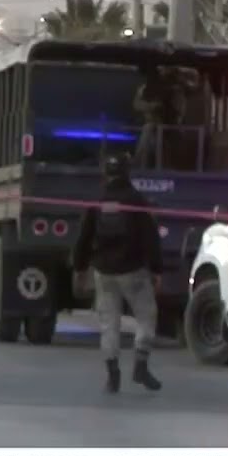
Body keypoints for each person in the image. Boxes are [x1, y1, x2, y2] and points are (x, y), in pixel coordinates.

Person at [72, 153, 164, 394]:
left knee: (109, 324)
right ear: (127, 173)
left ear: (106, 174)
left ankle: (112, 376)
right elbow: (150, 237)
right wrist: (156, 269)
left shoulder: (98, 201)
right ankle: (140, 365)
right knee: (146, 316)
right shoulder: (136, 200)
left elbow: (84, 237)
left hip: (104, 272)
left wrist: (80, 268)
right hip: (133, 271)